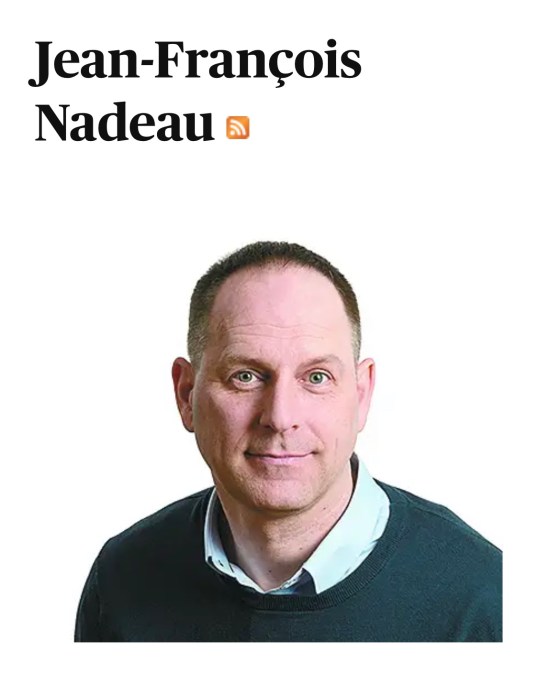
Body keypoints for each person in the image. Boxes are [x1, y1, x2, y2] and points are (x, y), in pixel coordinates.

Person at [74, 241, 502, 642]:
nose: (280, 418)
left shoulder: (482, 596)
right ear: (187, 394)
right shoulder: (121, 580)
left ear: (361, 395)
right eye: (245, 376)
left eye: (316, 377)